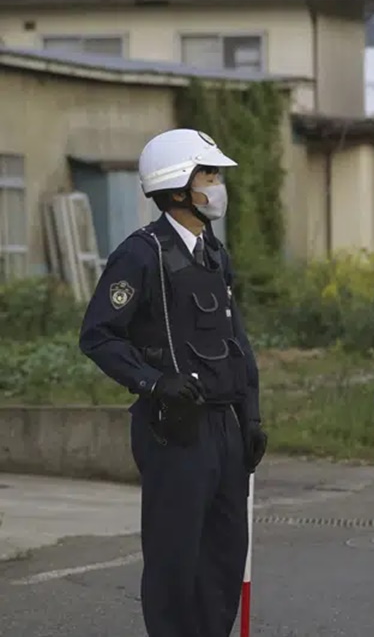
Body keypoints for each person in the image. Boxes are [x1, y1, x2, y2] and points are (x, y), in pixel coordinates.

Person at [78, 128, 269, 637]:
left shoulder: (213, 254)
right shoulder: (141, 254)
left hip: (225, 428)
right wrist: (153, 382)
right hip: (175, 429)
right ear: (178, 187)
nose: (219, 184)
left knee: (225, 558)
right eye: (210, 175)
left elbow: (237, 344)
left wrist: (250, 418)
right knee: (175, 561)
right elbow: (99, 336)